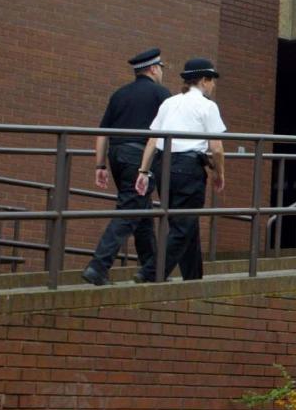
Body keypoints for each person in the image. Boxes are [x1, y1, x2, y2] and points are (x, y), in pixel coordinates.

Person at [82, 48, 172, 286]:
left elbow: (102, 132)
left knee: (140, 211)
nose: (162, 72)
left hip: (116, 156)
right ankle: (98, 266)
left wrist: (99, 165)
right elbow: (169, 132)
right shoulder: (161, 94)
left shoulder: (119, 94)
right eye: (161, 68)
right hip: (140, 158)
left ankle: (151, 269)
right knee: (129, 210)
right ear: (154, 68)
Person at [133, 58, 227, 282]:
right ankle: (150, 273)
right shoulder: (207, 106)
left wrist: (143, 171)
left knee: (184, 222)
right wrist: (219, 173)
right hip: (188, 167)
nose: (213, 85)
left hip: (162, 165)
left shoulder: (169, 103)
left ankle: (193, 276)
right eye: (212, 80)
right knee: (183, 226)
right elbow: (216, 147)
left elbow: (153, 139)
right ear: (204, 80)